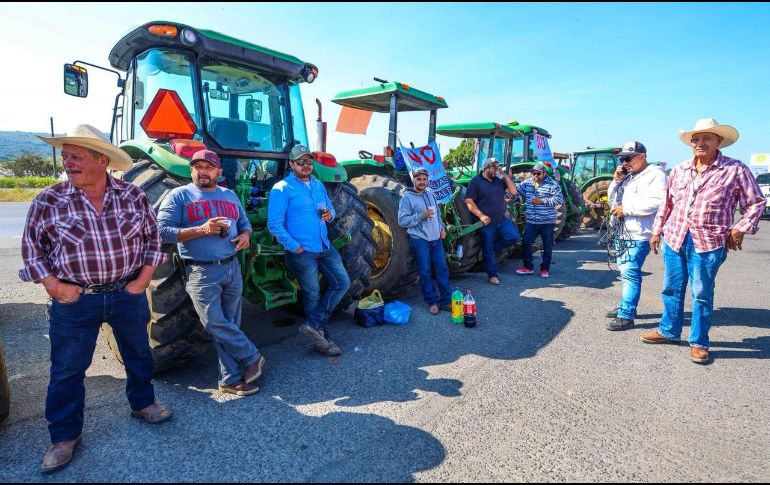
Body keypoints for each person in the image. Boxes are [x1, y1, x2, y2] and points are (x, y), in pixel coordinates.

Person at [18, 125, 172, 474]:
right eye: (65, 155)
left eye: (76, 156)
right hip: (76, 300)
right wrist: (54, 285)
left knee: (138, 354)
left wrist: (143, 280)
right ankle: (64, 437)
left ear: (102, 161)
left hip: (126, 293)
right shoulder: (49, 200)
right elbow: (32, 249)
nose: (67, 162)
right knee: (67, 369)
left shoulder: (133, 195)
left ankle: (143, 403)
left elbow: (152, 240)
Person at [641, 119, 766, 364]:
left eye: (707, 138)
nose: (700, 144)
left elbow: (756, 203)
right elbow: (667, 204)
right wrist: (656, 232)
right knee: (671, 288)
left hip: (708, 242)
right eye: (696, 140)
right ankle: (668, 330)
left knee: (701, 293)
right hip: (675, 237)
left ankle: (698, 342)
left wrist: (740, 228)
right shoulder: (679, 169)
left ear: (719, 141)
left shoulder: (735, 169)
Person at [157, 150, 265, 396]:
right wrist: (202, 230)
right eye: (197, 167)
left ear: (219, 171)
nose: (202, 171)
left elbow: (245, 222)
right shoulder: (179, 196)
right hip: (201, 271)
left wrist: (246, 236)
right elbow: (161, 231)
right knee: (214, 322)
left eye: (208, 167)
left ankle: (229, 378)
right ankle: (251, 355)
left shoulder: (229, 194)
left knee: (229, 323)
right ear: (191, 170)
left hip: (231, 266)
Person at [267, 145, 350, 356]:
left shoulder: (318, 185)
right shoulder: (282, 188)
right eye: (301, 162)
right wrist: (294, 247)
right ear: (292, 164)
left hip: (324, 245)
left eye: (308, 162)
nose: (306, 166)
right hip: (302, 251)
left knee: (342, 282)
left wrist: (329, 215)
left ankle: (313, 324)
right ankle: (322, 339)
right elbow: (274, 224)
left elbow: (330, 208)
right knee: (312, 294)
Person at [604, 141, 666, 330]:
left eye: (628, 158)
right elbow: (611, 199)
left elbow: (657, 202)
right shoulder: (629, 176)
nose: (625, 163)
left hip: (639, 233)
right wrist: (616, 180)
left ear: (642, 156)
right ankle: (626, 305)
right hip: (622, 230)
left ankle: (626, 315)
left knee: (630, 272)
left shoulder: (655, 175)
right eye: (622, 159)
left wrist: (627, 210)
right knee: (624, 270)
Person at [398, 167, 451, 315]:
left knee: (442, 269)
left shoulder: (430, 194)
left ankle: (446, 301)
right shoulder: (406, 198)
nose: (422, 182)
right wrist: (421, 216)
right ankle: (432, 301)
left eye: (424, 179)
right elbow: (402, 221)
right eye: (419, 179)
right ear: (413, 180)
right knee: (425, 271)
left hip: (436, 239)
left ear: (427, 180)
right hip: (420, 240)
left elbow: (438, 215)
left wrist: (442, 228)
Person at [464, 157, 520, 285]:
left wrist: (505, 176)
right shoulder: (476, 182)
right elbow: (468, 201)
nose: (496, 171)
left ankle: (488, 249)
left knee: (514, 237)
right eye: (494, 168)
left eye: (497, 168)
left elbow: (513, 191)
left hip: (501, 219)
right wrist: (481, 215)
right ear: (486, 168)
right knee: (488, 249)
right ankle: (492, 275)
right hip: (487, 222)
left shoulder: (499, 181)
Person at [514, 162, 564, 278]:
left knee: (547, 246)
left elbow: (559, 200)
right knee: (526, 243)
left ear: (544, 173)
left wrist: (542, 201)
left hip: (547, 221)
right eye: (533, 173)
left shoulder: (553, 184)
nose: (535, 176)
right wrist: (508, 198)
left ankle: (545, 269)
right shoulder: (527, 183)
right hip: (532, 221)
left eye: (538, 173)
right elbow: (516, 192)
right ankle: (528, 267)